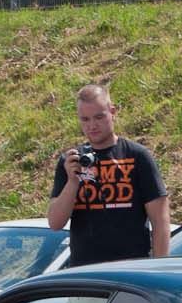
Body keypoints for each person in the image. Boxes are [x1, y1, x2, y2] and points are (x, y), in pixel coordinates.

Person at [48, 83, 170, 266]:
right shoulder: (71, 161)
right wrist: (73, 182)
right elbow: (55, 223)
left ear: (112, 112)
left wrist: (159, 269)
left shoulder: (137, 156)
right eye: (85, 119)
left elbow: (160, 221)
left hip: (131, 270)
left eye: (99, 117)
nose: (92, 125)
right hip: (85, 273)